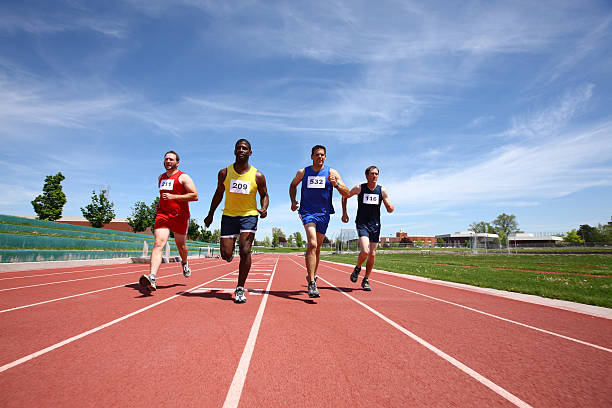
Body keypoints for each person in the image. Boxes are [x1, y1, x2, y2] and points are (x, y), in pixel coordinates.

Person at [204, 139, 269, 304]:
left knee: (245, 250)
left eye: (245, 148)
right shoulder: (224, 173)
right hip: (229, 216)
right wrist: (210, 214)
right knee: (226, 254)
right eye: (238, 148)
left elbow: (264, 195)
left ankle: (240, 287)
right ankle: (229, 253)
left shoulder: (257, 176)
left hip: (249, 215)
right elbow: (219, 193)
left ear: (250, 153)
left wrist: (264, 208)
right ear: (234, 151)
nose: (241, 150)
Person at [289, 145, 349, 298]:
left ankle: (312, 275)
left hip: (324, 213)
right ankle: (311, 283)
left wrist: (335, 184)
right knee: (313, 243)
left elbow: (346, 193)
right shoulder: (303, 172)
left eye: (322, 155)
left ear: (325, 157)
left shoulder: (331, 172)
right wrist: (293, 201)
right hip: (307, 212)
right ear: (311, 156)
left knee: (318, 247)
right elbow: (293, 185)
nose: (320, 157)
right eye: (317, 155)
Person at [139, 151, 199, 292]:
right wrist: (160, 205)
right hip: (163, 215)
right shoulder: (160, 177)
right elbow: (162, 196)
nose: (168, 161)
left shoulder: (183, 177)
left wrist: (173, 197)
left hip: (180, 216)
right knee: (158, 243)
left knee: (181, 245)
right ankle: (152, 277)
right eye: (166, 159)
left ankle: (184, 262)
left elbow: (195, 196)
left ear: (177, 162)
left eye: (171, 159)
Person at [341, 165, 394, 291]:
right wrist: (344, 213)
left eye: (376, 174)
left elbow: (388, 206)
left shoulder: (382, 191)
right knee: (365, 251)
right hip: (362, 223)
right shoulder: (360, 188)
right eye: (372, 174)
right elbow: (345, 196)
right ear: (367, 175)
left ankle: (366, 279)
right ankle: (358, 268)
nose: (375, 176)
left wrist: (390, 207)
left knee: (373, 254)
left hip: (375, 224)